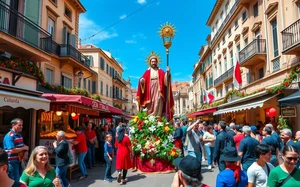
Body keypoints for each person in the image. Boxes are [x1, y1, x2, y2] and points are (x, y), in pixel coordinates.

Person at [136, 51, 174, 121]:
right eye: (152, 61)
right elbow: (143, 79)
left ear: (157, 62)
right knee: (151, 103)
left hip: (159, 90)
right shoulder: (147, 71)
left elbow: (166, 81)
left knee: (158, 101)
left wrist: (168, 72)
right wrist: (142, 81)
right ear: (150, 62)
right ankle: (150, 118)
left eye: (154, 61)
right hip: (149, 90)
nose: (153, 63)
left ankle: (158, 117)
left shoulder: (160, 71)